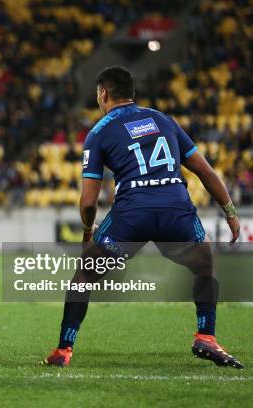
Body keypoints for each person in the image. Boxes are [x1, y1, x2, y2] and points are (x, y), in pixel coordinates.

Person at [43, 66, 243, 369]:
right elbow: (205, 171)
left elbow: (87, 201)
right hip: (175, 209)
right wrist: (229, 211)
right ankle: (206, 334)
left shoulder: (98, 133)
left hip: (132, 216)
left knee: (84, 276)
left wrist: (87, 232)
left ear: (104, 94)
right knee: (205, 263)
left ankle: (63, 350)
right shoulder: (164, 120)